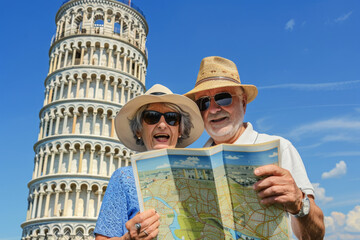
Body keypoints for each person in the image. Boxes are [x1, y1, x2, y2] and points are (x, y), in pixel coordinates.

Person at [184, 56, 325, 239]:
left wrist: (299, 202)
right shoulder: (189, 163)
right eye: (203, 102)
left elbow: (315, 236)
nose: (212, 109)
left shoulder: (280, 147)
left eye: (223, 98)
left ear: (243, 102)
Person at [95, 84, 204, 240]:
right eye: (151, 117)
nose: (161, 124)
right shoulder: (124, 178)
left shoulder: (195, 177)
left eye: (172, 118)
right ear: (139, 130)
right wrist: (128, 238)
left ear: (180, 130)